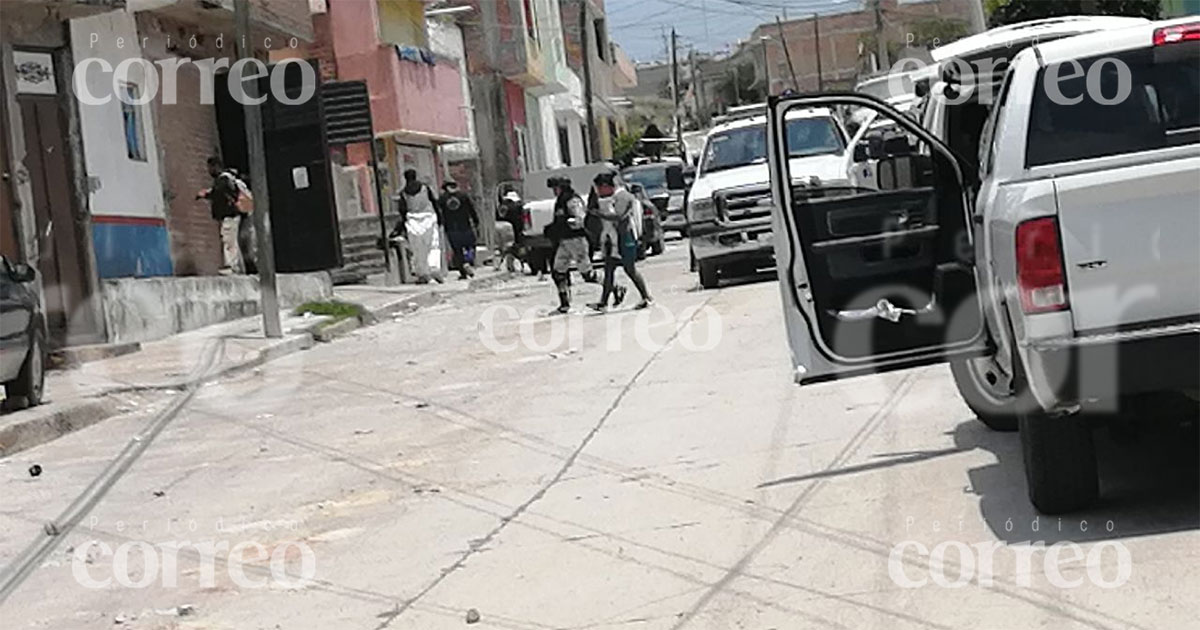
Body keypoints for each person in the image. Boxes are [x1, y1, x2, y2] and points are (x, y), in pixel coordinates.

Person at [588, 172, 652, 311]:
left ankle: (646, 296)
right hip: (614, 240)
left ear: (606, 186)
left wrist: (598, 213)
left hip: (626, 238)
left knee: (630, 269)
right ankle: (603, 303)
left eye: (599, 188)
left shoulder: (622, 196)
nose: (599, 192)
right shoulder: (611, 198)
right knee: (609, 269)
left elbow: (619, 216)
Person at [546, 176, 594, 314]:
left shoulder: (572, 200)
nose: (554, 191)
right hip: (564, 242)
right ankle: (564, 302)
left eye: (556, 188)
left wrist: (567, 223)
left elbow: (580, 219)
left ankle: (614, 288)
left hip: (576, 240)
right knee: (558, 271)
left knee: (587, 274)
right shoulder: (560, 201)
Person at [389, 169, 445, 284]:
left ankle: (422, 273)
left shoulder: (403, 193)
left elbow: (402, 210)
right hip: (429, 217)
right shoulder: (425, 188)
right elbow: (434, 202)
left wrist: (403, 225)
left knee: (417, 248)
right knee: (432, 245)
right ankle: (434, 271)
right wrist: (439, 218)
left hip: (413, 221)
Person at [197, 157, 244, 274]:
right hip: (233, 214)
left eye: (210, 168)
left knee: (228, 240)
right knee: (232, 240)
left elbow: (217, 192)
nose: (209, 171)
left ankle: (231, 267)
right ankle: (238, 267)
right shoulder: (229, 178)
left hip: (229, 215)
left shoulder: (223, 179)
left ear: (216, 166)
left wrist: (205, 194)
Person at [439, 180, 479, 279]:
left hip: (452, 228)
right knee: (470, 246)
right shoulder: (463, 196)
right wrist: (476, 221)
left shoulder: (442, 199)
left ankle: (463, 271)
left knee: (457, 251)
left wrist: (441, 224)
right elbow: (471, 209)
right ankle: (468, 261)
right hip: (465, 226)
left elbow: (439, 213)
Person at [498, 190, 526, 273]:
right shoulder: (519, 206)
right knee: (516, 247)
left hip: (504, 228)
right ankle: (517, 264)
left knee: (506, 248)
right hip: (515, 230)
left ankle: (508, 264)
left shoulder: (503, 206)